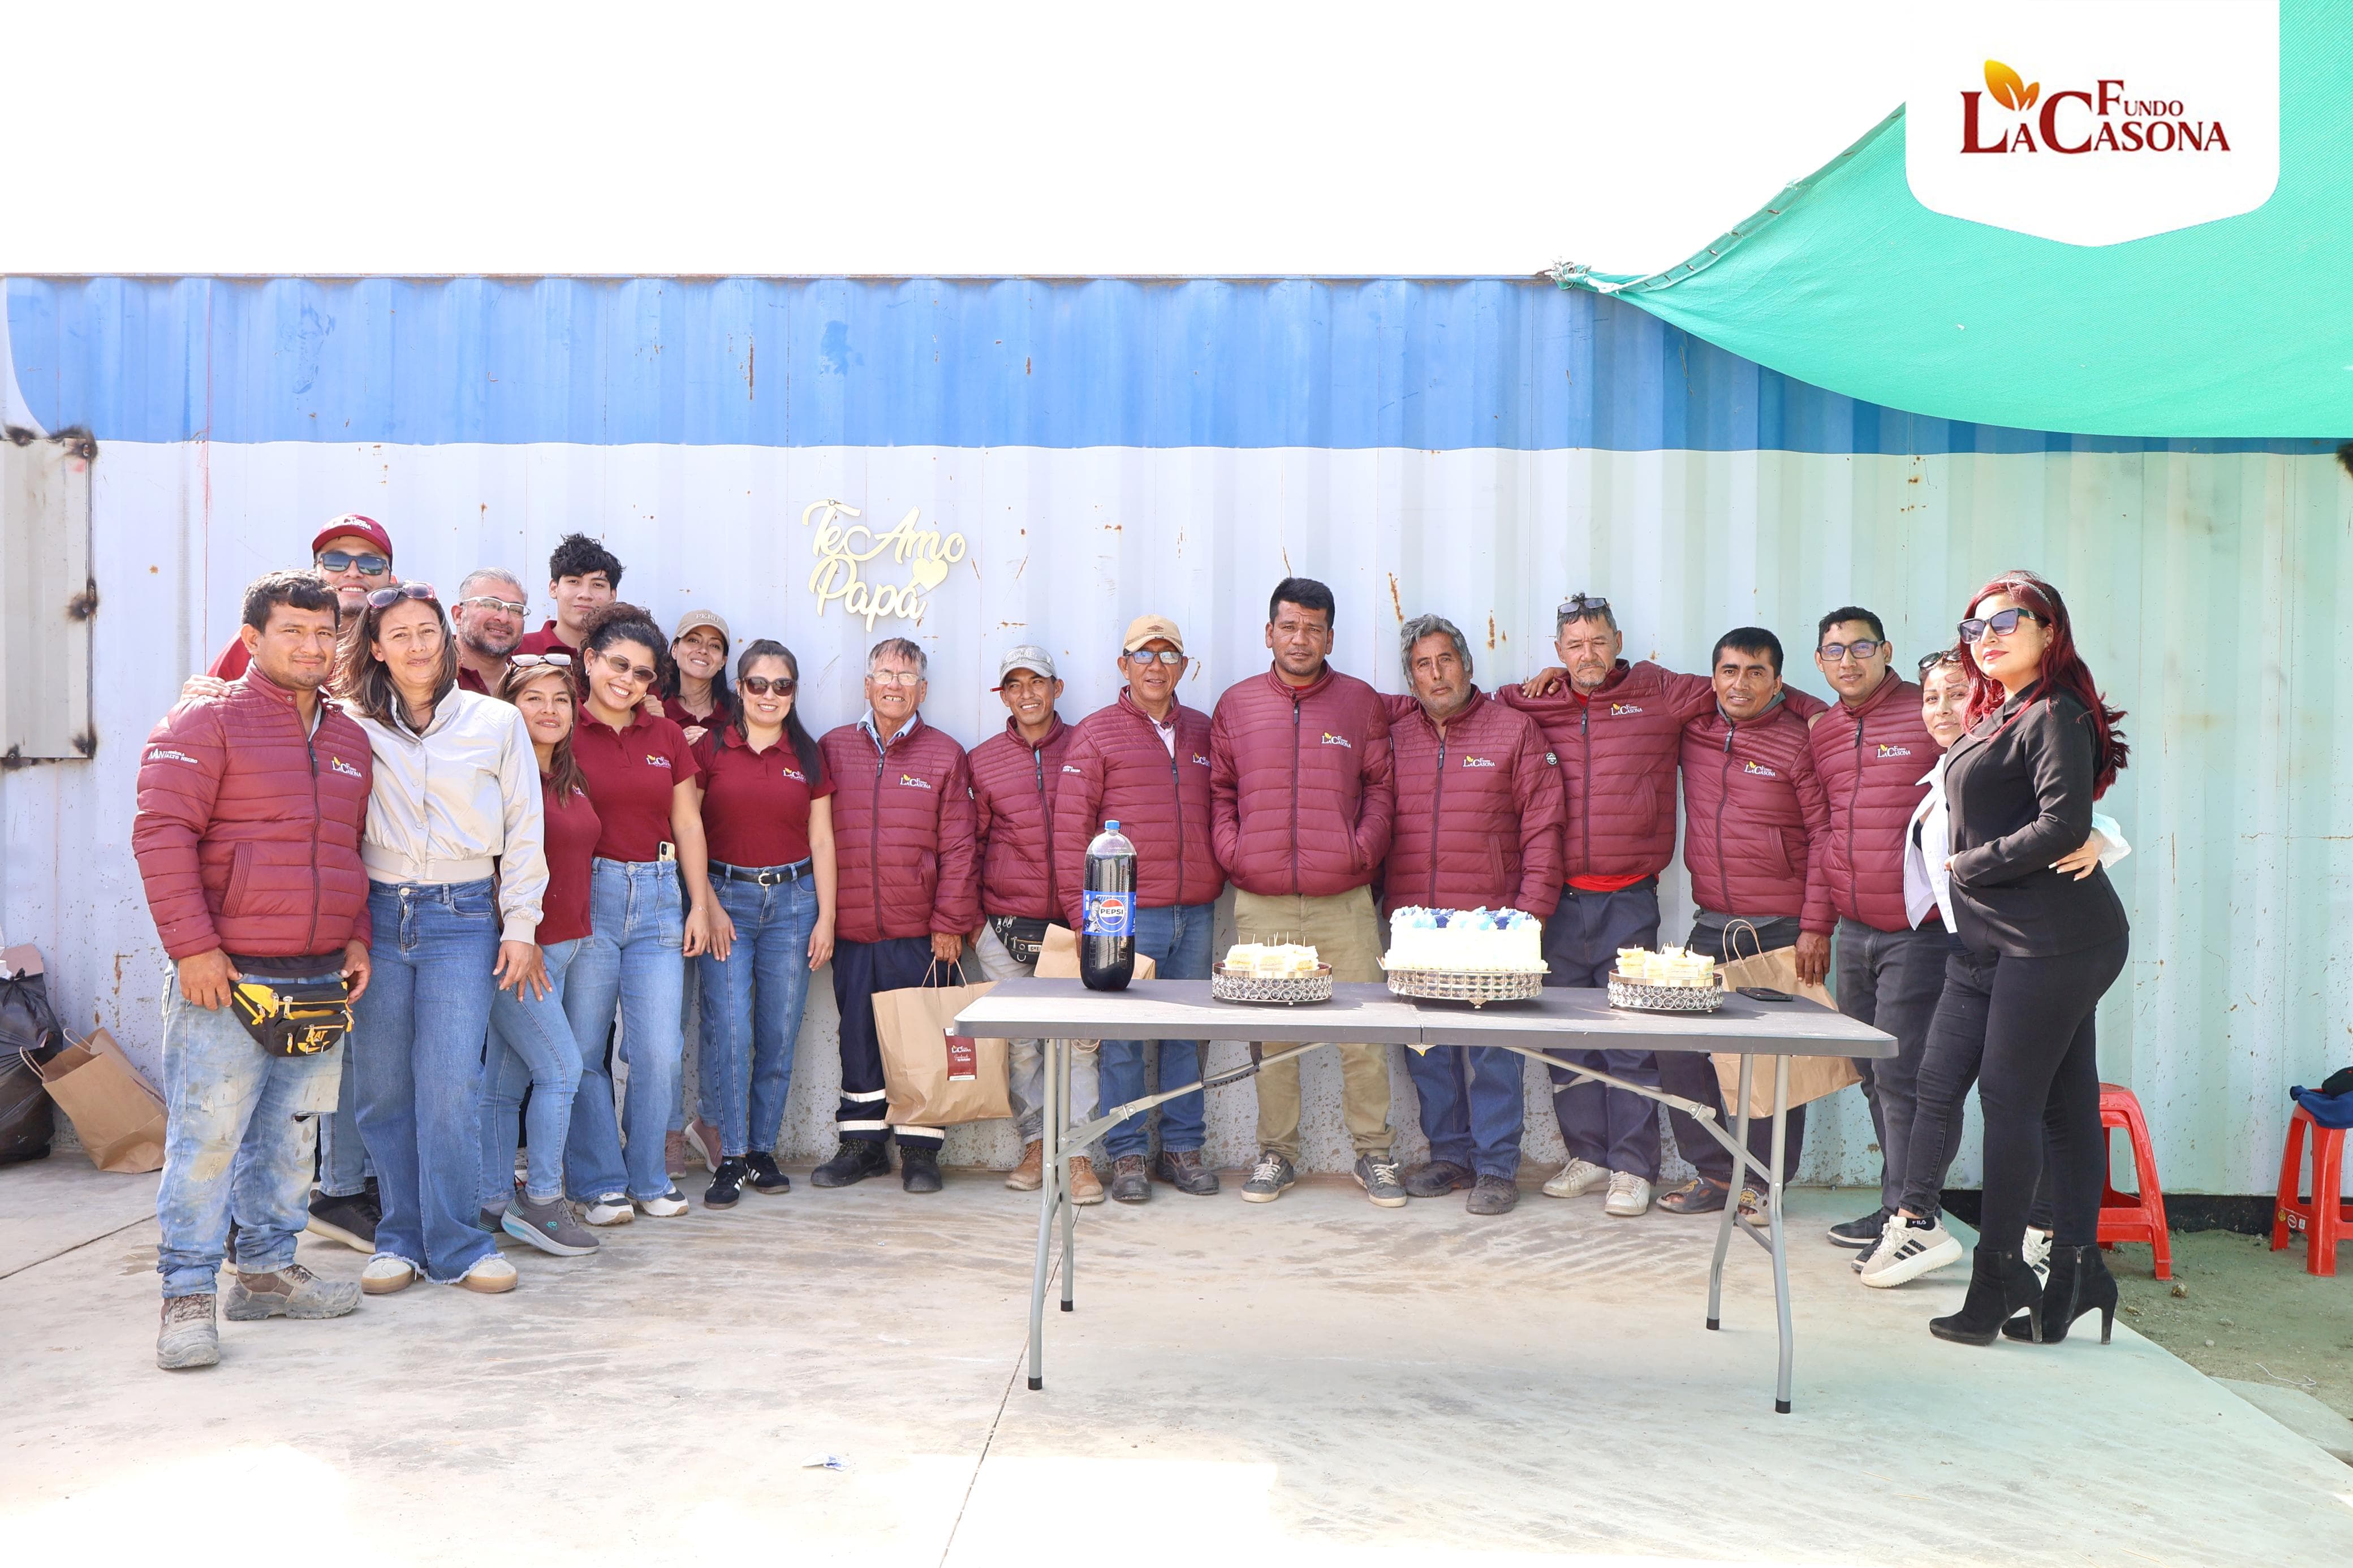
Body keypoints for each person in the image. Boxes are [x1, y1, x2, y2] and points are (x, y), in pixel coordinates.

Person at [134, 569, 373, 1369]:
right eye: (293, 632)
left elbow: (348, 851)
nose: (312, 647)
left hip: (315, 977)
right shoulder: (208, 720)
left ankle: (267, 1275)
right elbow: (161, 834)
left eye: (323, 633)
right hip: (227, 976)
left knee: (289, 1138)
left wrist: (357, 937)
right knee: (207, 1139)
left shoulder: (347, 737)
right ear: (252, 640)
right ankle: (188, 1293)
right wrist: (194, 949)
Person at [1858, 649, 2125, 1289]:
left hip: (2030, 953)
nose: (1941, 709)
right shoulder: (1941, 782)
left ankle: (2042, 1236)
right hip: (1971, 955)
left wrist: (2100, 839)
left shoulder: (2018, 747)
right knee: (1936, 1084)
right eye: (1929, 698)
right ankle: (1917, 1219)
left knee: (2031, 1100)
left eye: (1956, 694)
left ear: (1982, 699)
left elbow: (2065, 823)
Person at [1915, 577, 2132, 1348]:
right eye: (1975, 624)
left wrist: (1969, 867)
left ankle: (1999, 1273)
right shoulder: (2002, 713)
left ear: (2049, 631)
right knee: (2064, 1107)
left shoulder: (2054, 712)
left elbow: (2062, 821)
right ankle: (2079, 1272)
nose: (1988, 634)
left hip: (2055, 941)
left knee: (2008, 1100)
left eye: (2009, 621)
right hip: (2033, 940)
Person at [339, 581, 548, 1297]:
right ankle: (398, 1238)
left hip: (462, 915)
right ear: (375, 647)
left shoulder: (495, 722)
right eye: (399, 634)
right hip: (377, 910)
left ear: (447, 636)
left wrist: (520, 925)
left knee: (450, 1084)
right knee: (382, 1088)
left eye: (427, 631)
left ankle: (459, 1243)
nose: (417, 646)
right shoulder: (348, 725)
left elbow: (525, 827)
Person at [1498, 594, 1719, 1218]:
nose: (1587, 656)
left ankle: (1631, 1167)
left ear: (1617, 639)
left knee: (1629, 1037)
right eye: (1574, 646)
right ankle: (1588, 1155)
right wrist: (1526, 686)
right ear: (1557, 652)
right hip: (1559, 900)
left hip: (1628, 898)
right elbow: (1486, 707)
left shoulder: (1659, 691)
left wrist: (1813, 714)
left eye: (1597, 642)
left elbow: (1737, 690)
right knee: (1567, 1036)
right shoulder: (1536, 701)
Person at [1209, 577, 1403, 1207]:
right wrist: (1236, 853)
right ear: (1269, 633)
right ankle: (1276, 1153)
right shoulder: (1237, 704)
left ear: (1329, 635)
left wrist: (1360, 850)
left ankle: (1373, 1154)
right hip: (1261, 897)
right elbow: (1218, 793)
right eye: (1288, 626)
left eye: (1313, 628)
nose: (1300, 639)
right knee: (1273, 1037)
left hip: (1342, 901)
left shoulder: (1358, 703)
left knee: (1363, 1036)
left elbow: (1380, 789)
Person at [1382, 615, 1564, 1216]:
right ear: (1410, 677)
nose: (1436, 674)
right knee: (1426, 1047)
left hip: (1492, 927)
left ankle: (1495, 1167)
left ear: (1466, 663)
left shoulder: (1512, 730)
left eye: (1445, 660)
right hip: (1417, 925)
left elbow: (1542, 829)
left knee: (1491, 1051)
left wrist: (1528, 918)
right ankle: (1451, 1155)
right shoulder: (1395, 733)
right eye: (1422, 665)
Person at [1654, 628, 1834, 1220]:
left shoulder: (1799, 740)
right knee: (1677, 1047)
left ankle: (1763, 1185)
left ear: (1778, 681)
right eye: (1729, 670)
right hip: (1712, 924)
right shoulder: (1697, 730)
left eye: (1756, 672)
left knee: (1771, 1063)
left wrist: (1815, 925)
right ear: (1713, 677)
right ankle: (1713, 1170)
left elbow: (1823, 835)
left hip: (1781, 926)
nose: (1740, 683)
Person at [1053, 619, 1225, 1203]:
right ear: (1123, 665)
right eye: (1142, 654)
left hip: (1196, 911)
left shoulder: (1204, 730)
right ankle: (1126, 1154)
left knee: (1186, 1035)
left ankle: (1182, 1148)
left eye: (1168, 654)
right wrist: (1079, 920)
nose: (1156, 665)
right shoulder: (1097, 734)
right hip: (1124, 916)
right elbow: (1069, 830)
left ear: (1184, 665)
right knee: (1123, 1038)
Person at [561, 603, 722, 1223]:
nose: (628, 681)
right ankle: (599, 1180)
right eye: (618, 665)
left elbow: (687, 821)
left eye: (644, 673)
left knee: (658, 1048)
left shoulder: (663, 737)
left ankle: (649, 1175)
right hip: (590, 895)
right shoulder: (562, 730)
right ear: (591, 660)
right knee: (583, 1050)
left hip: (658, 896)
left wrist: (699, 903)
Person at [812, 638, 980, 1194]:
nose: (893, 684)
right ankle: (860, 1146)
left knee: (922, 1042)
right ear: (866, 685)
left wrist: (950, 924)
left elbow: (959, 847)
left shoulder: (943, 754)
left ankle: (919, 1151)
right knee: (856, 1037)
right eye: (883, 673)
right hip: (854, 929)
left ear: (922, 690)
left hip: (919, 935)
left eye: (906, 677)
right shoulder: (832, 748)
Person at [1806, 606, 1945, 1252]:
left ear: (1886, 651)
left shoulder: (1926, 712)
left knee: (1903, 1073)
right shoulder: (1824, 731)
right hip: (1854, 932)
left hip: (1918, 930)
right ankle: (1896, 1203)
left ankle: (1911, 1215)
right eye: (1833, 651)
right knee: (1870, 1069)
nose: (1847, 660)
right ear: (1818, 663)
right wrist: (1818, 923)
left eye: (1861, 647)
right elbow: (1825, 832)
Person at [691, 640, 838, 1209]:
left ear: (793, 692)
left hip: (793, 904)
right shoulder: (710, 749)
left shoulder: (807, 752)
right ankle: (727, 1157)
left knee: (778, 1031)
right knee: (730, 1030)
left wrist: (826, 915)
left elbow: (821, 837)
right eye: (757, 684)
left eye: (782, 685)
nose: (769, 695)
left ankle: (760, 1150)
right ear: (740, 689)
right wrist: (706, 902)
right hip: (726, 900)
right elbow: (690, 830)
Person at [475, 655, 603, 1259]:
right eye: (534, 699)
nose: (550, 709)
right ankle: (543, 1202)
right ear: (508, 708)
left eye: (561, 698)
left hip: (566, 945)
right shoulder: (500, 775)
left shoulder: (567, 775)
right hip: (521, 951)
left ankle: (491, 1200)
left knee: (504, 1085)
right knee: (562, 1070)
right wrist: (514, 936)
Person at [969, 647, 1104, 1204]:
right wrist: (969, 920)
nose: (1026, 693)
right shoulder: (981, 760)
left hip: (1072, 925)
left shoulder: (1088, 746)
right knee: (1023, 1045)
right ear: (1001, 694)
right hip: (1002, 923)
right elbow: (965, 843)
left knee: (1079, 1044)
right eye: (1014, 684)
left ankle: (1076, 1154)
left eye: (1037, 682)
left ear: (1057, 687)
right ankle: (1035, 1144)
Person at [661, 610, 734, 1175]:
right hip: (663, 876)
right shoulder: (652, 708)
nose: (702, 651)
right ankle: (663, 1130)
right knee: (664, 1019)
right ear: (675, 647)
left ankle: (708, 1123)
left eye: (714, 644)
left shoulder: (739, 716)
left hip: (725, 882)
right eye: (693, 640)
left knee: (720, 1013)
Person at [204, 515, 396, 680]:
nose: (353, 572)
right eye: (336, 561)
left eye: (371, 564)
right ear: (315, 574)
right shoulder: (266, 634)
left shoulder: (407, 641)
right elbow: (210, 702)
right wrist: (196, 700)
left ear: (391, 579)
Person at [516, 533, 622, 658]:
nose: (585, 595)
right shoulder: (519, 652)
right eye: (574, 582)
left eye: (598, 585)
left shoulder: (623, 656)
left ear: (612, 596)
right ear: (554, 588)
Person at [450, 569, 531, 694]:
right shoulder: (429, 676)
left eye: (516, 610)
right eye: (490, 605)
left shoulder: (529, 683)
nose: (504, 619)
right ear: (459, 615)